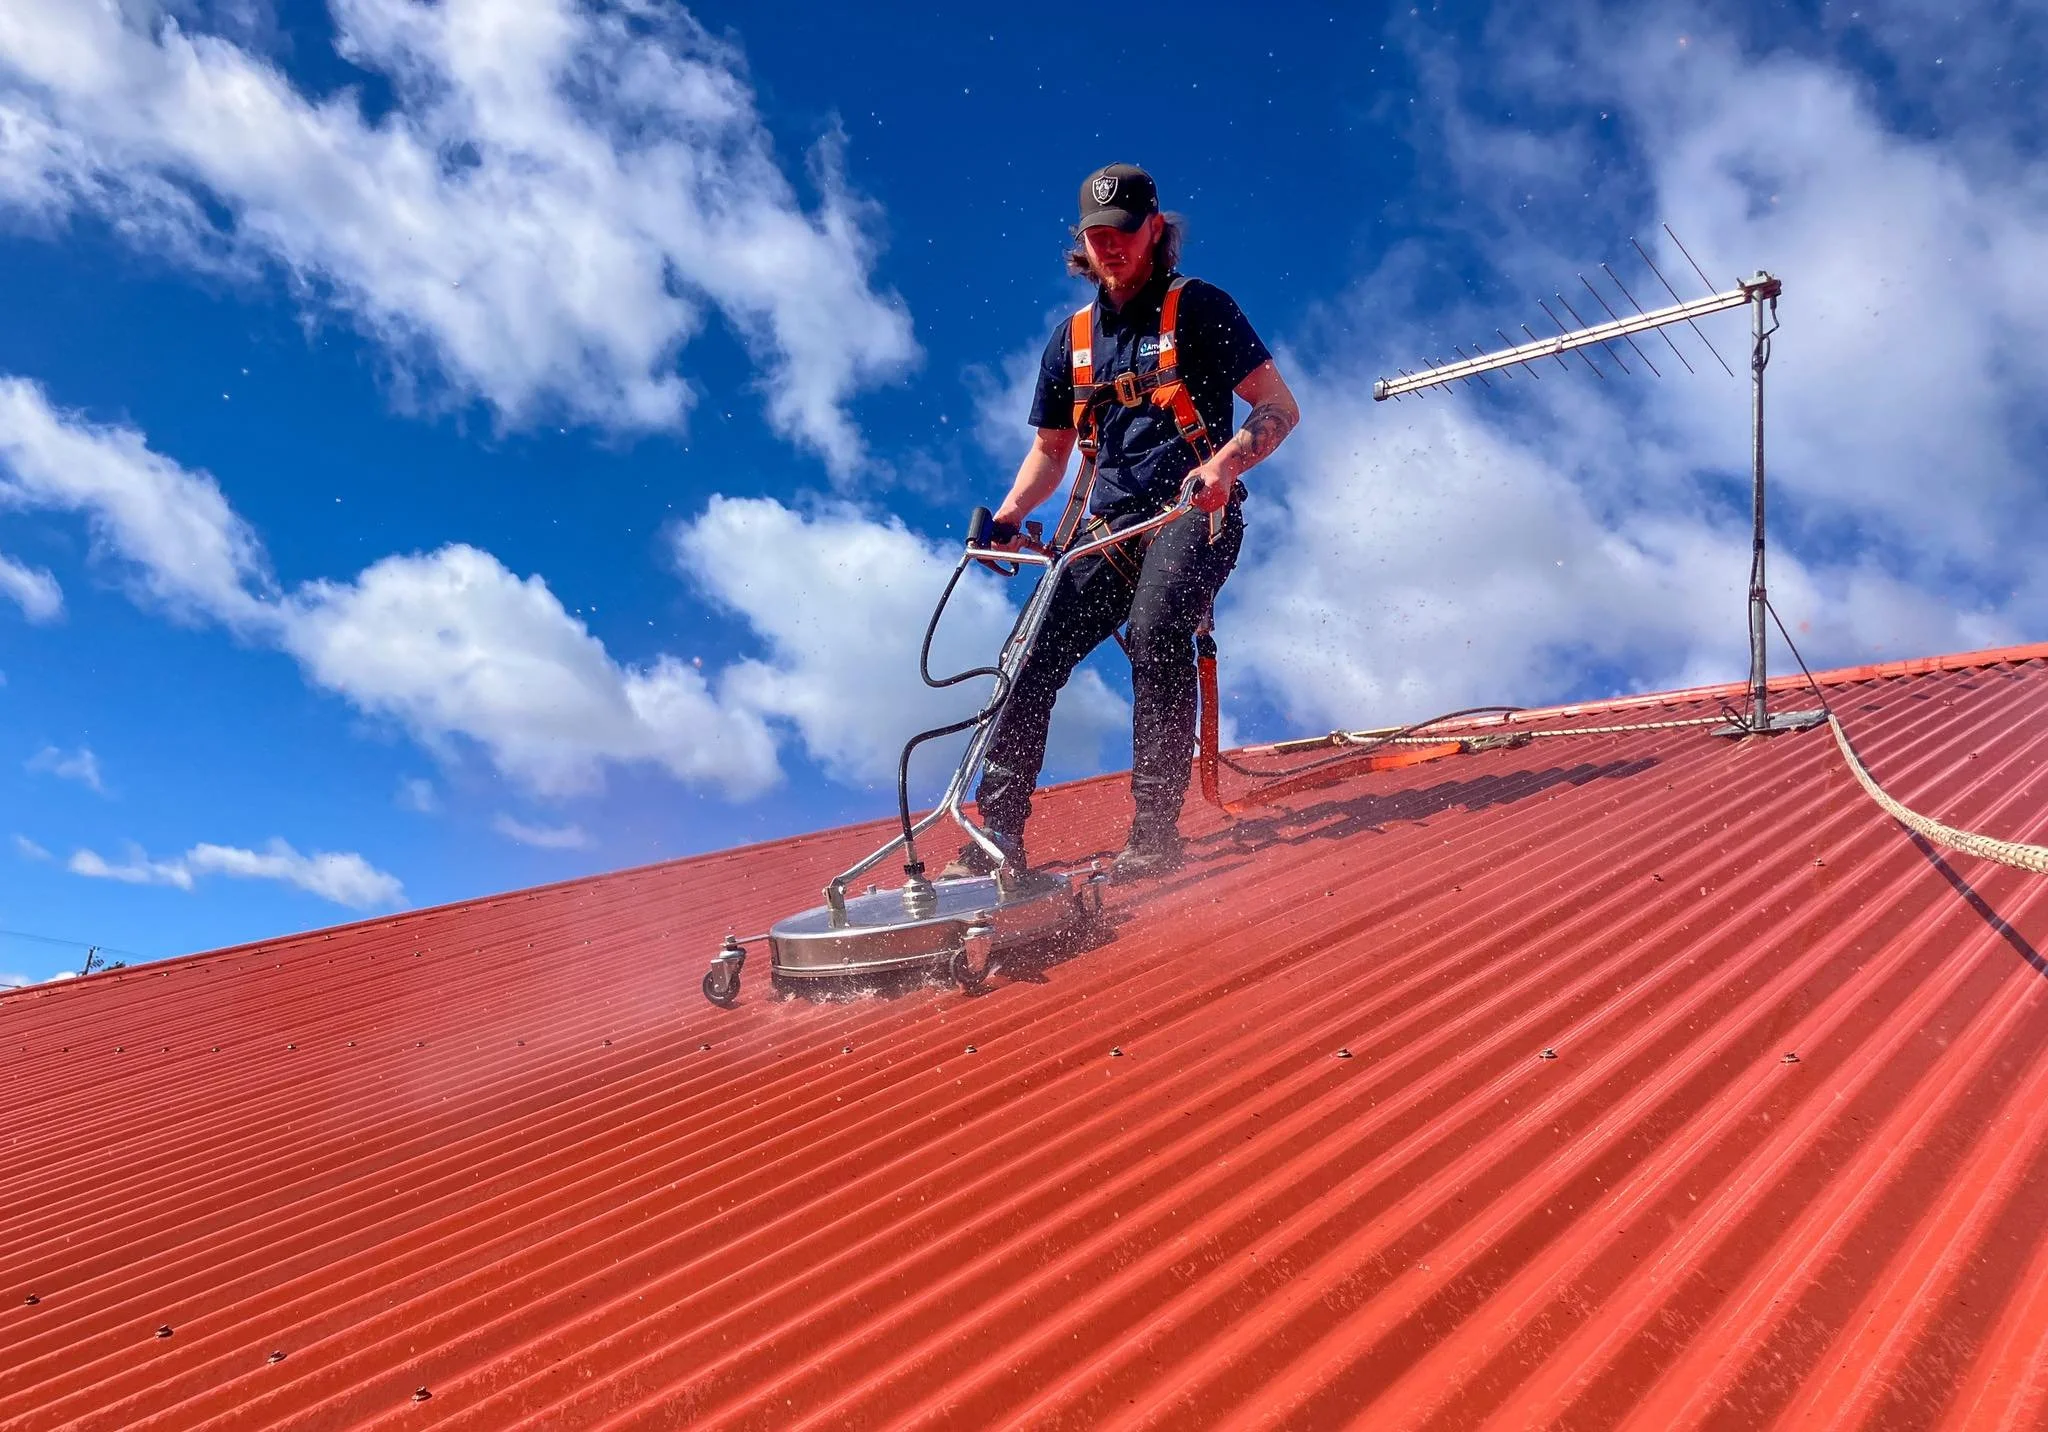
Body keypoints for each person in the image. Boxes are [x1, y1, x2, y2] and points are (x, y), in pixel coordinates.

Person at [945, 163, 1300, 883]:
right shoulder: (1071, 342)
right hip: (1108, 528)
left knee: (1156, 627)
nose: (1110, 246)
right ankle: (996, 841)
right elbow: (1049, 450)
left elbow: (1278, 408)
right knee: (1028, 658)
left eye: (1124, 232)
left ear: (1156, 231)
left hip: (1193, 511)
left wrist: (1226, 466)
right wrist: (1011, 517)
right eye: (1096, 234)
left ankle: (1154, 832)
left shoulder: (1200, 308)